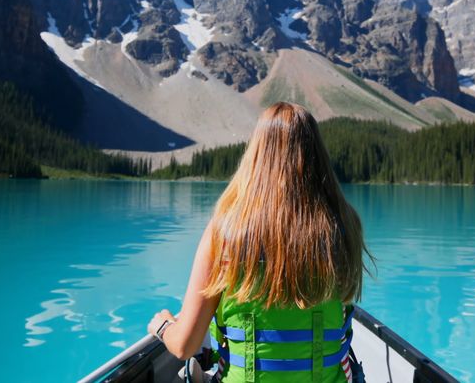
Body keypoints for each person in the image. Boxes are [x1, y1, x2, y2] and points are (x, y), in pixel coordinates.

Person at [148, 102, 372, 383]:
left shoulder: (223, 232)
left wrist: (164, 325)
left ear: (256, 155)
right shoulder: (345, 226)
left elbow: (185, 346)